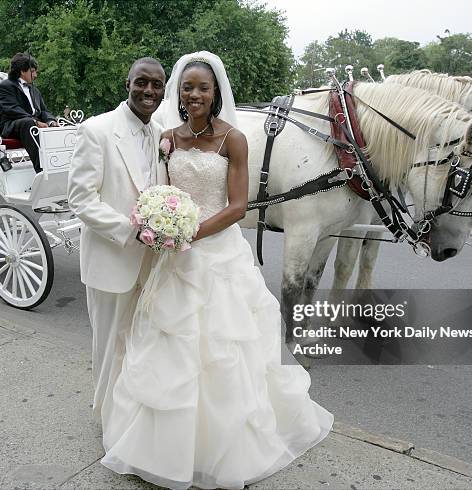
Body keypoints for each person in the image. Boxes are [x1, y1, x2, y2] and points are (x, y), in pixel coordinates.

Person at [100, 51, 333, 490]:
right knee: (171, 346)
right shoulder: (166, 138)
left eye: (202, 87)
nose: (194, 94)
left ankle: (224, 448)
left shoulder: (233, 139)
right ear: (179, 92)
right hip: (176, 256)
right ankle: (161, 447)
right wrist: (160, 224)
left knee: (225, 350)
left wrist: (191, 233)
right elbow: (162, 192)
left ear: (215, 92)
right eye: (187, 87)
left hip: (216, 251)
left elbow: (239, 206)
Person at [67, 57, 167, 428]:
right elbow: (81, 199)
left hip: (153, 262)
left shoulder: (161, 134)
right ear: (128, 83)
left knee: (141, 343)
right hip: (112, 258)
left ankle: (131, 420)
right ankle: (106, 420)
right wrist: (130, 230)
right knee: (109, 347)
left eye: (157, 85)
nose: (149, 91)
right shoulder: (97, 130)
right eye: (142, 82)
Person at [0, 53, 59, 173]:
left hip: (30, 125)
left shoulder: (34, 90)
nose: (35, 75)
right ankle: (41, 169)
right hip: (12, 126)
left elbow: (43, 111)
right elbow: (12, 109)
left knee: (57, 126)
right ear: (22, 71)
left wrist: (51, 121)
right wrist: (35, 121)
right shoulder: (6, 86)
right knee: (28, 123)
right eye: (32, 71)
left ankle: (58, 165)